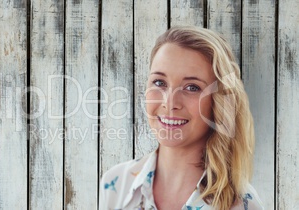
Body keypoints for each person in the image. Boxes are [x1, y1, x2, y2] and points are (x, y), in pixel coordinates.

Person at [99, 26, 264, 210]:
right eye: (159, 82)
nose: (170, 103)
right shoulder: (116, 183)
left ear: (218, 102)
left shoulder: (241, 204)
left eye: (192, 87)